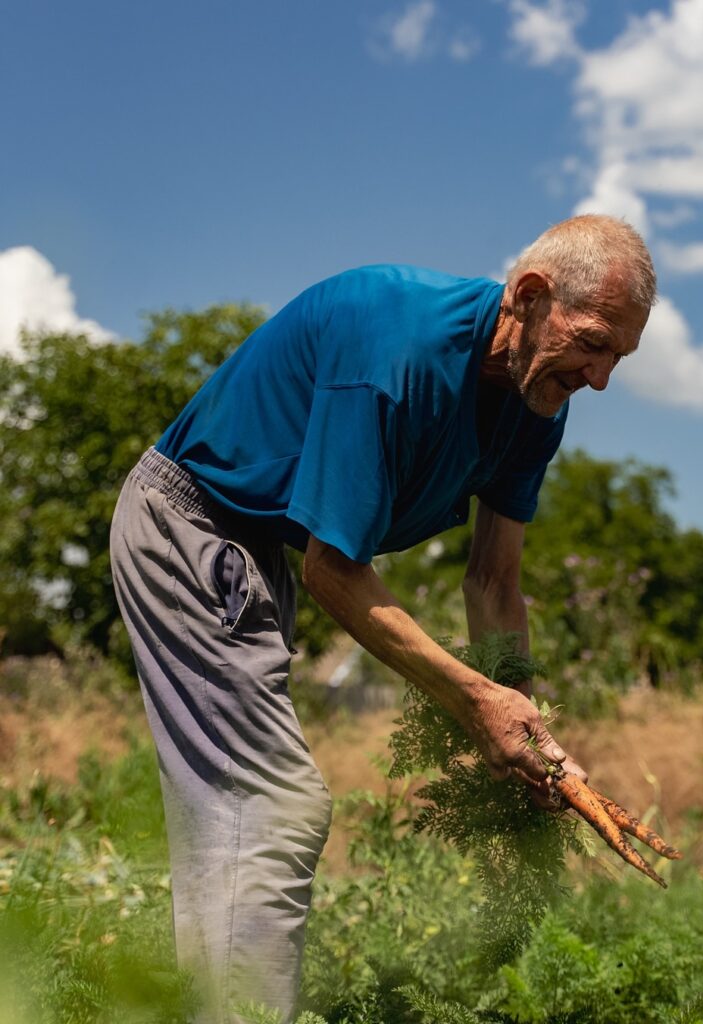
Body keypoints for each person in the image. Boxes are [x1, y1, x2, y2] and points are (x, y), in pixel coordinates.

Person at [109, 213, 656, 1023]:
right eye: (592, 342)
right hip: (192, 525)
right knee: (267, 806)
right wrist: (476, 703)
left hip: (256, 548)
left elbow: (494, 582)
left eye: (618, 357)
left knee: (245, 812)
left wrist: (528, 727)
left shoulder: (536, 399)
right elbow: (333, 569)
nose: (601, 378)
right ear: (531, 295)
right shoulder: (394, 351)